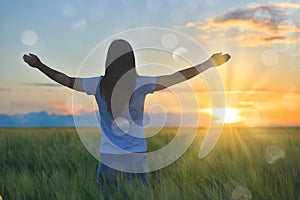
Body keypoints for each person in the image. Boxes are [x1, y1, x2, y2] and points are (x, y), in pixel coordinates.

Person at [23, 39, 230, 197]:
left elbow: (66, 80)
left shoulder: (98, 85)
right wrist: (208, 64)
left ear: (108, 62)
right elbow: (176, 77)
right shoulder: (142, 83)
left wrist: (39, 65)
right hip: (136, 156)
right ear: (131, 60)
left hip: (108, 156)